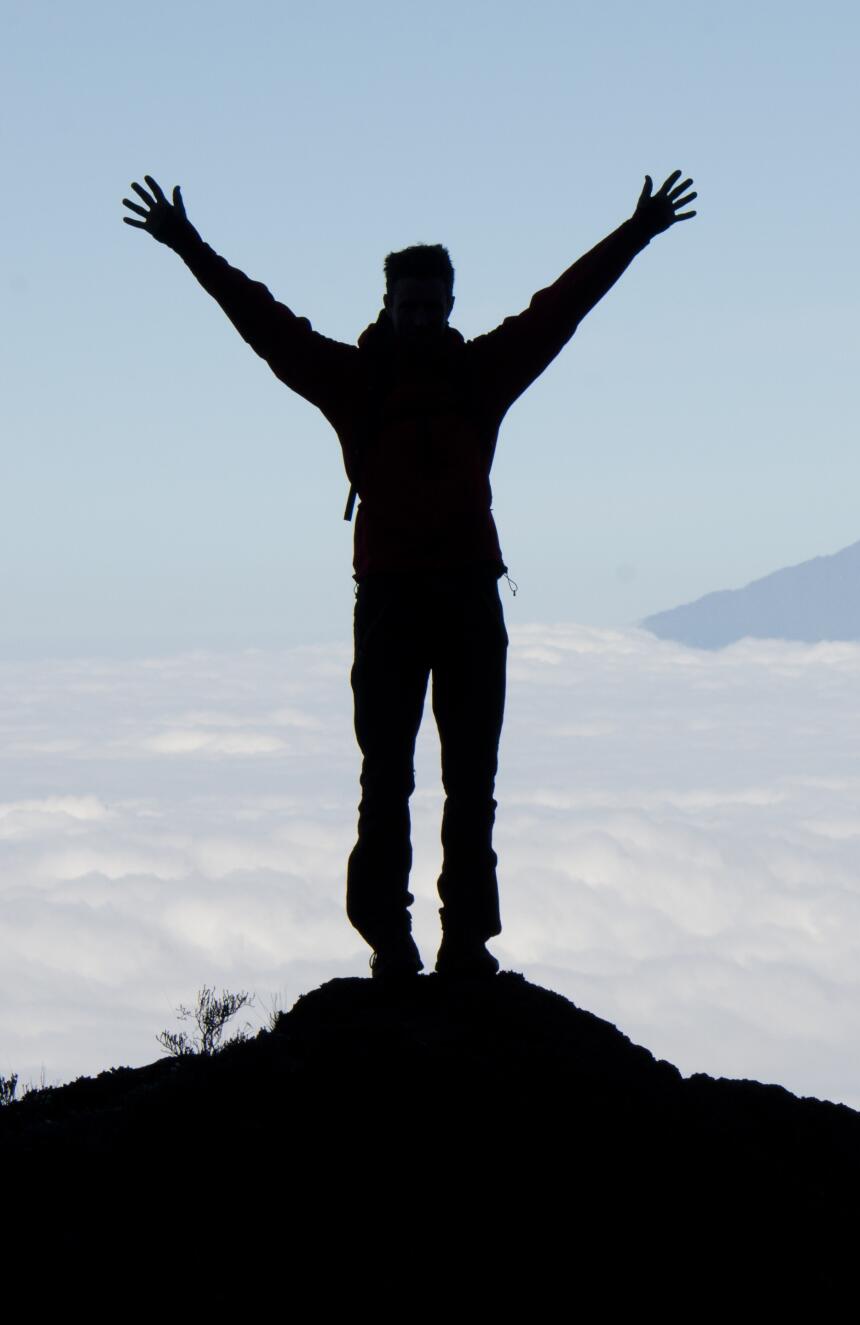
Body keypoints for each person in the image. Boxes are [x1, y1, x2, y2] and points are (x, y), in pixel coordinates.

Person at [122, 171, 698, 978]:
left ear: (449, 307)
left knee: (471, 780)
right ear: (389, 307)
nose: (422, 318)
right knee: (385, 777)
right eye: (410, 306)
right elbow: (264, 322)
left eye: (433, 306)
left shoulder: (481, 375)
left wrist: (634, 233)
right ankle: (390, 940)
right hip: (392, 602)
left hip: (466, 597)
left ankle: (465, 940)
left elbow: (560, 308)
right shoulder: (354, 383)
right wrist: (187, 245)